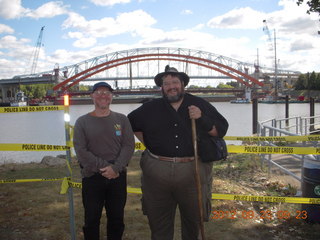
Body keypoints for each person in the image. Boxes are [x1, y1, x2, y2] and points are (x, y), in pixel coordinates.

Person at [128, 65, 229, 240]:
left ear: (183, 84)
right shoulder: (150, 108)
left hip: (192, 170)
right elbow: (131, 124)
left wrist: (201, 118)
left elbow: (220, 131)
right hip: (157, 171)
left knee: (193, 221)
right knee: (158, 223)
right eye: (166, 83)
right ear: (162, 87)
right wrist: (149, 144)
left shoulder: (199, 104)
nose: (171, 86)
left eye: (175, 82)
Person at [73, 81, 135, 240]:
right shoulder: (82, 122)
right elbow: (81, 150)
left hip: (117, 177)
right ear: (92, 96)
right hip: (92, 177)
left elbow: (128, 146)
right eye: (99, 92)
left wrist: (116, 168)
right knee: (92, 220)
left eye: (107, 92)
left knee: (116, 219)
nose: (103, 95)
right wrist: (107, 168)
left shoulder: (122, 119)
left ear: (111, 96)